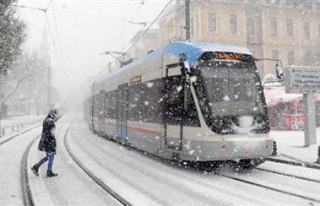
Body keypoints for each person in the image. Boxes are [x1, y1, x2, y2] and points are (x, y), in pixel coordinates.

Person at [31, 109, 58, 177]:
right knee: (51, 157)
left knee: (48, 157)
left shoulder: (46, 120)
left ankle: (36, 166)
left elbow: (47, 132)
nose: (55, 116)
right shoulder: (50, 121)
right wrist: (52, 144)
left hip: (46, 141)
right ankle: (48, 172)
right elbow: (51, 133)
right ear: (52, 114)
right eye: (55, 114)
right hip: (49, 142)